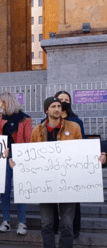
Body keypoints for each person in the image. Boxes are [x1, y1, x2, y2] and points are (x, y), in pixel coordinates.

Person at [15, 97, 81, 248]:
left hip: (67, 183)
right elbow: (31, 156)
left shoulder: (74, 127)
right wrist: (18, 163)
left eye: (59, 106)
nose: (57, 109)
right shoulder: (37, 130)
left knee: (67, 225)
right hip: (44, 184)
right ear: (46, 110)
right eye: (53, 106)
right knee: (46, 224)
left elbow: (81, 152)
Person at [0, 92, 32, 235]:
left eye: (0, 101)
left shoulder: (24, 119)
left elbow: (28, 140)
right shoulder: (1, 118)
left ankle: (22, 223)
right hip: (4, 156)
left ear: (8, 102)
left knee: (20, 189)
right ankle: (6, 221)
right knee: (5, 189)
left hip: (19, 156)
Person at [50, 91, 85, 238]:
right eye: (61, 99)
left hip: (71, 166)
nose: (64, 102)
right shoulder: (46, 122)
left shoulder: (76, 122)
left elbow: (82, 143)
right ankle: (54, 227)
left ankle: (74, 229)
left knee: (73, 201)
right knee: (52, 199)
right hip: (52, 166)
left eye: (66, 100)